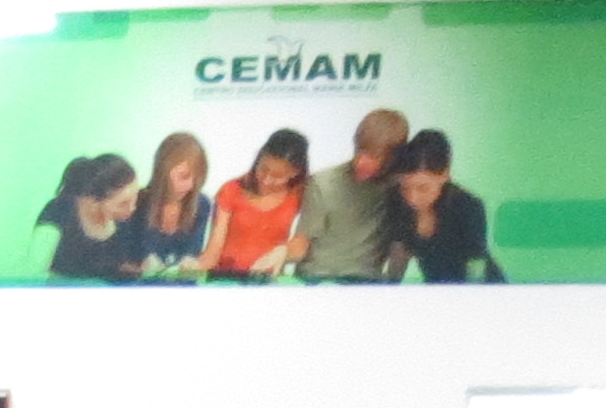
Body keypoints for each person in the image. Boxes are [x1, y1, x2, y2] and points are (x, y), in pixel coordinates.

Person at [292, 108, 411, 281]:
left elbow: (402, 246)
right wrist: (281, 253)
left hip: (364, 285)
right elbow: (301, 242)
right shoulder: (323, 183)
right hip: (316, 280)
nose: (361, 162)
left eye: (374, 156)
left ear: (392, 158)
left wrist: (392, 286)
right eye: (360, 151)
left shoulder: (402, 189)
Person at [372, 130, 502, 285]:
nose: (412, 198)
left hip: (484, 289)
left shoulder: (468, 206)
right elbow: (399, 253)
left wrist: (470, 301)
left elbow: (476, 263)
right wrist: (388, 291)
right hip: (436, 288)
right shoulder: (397, 201)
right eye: (405, 188)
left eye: (423, 188)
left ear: (444, 176)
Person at [204, 132, 313, 280]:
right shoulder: (231, 190)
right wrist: (196, 267)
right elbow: (214, 248)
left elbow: (304, 241)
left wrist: (284, 252)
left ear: (295, 172)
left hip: (267, 281)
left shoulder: (300, 194)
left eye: (277, 176)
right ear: (258, 159)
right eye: (263, 169)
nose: (266, 180)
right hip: (226, 278)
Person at [35, 153, 144, 280]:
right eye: (123, 204)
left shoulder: (126, 221)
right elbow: (34, 273)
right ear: (95, 201)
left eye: (134, 199)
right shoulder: (58, 212)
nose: (132, 208)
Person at [126, 134, 213, 276]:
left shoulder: (202, 205)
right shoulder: (136, 203)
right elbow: (119, 262)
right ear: (163, 171)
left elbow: (195, 256)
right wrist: (140, 268)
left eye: (196, 178)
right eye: (184, 176)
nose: (191, 185)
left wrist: (194, 265)